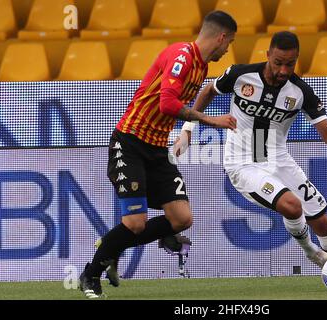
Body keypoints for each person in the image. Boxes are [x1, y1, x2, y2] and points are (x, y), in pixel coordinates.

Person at [174, 31, 327, 291]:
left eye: (290, 64)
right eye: (278, 62)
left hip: (278, 159)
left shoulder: (300, 92)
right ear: (267, 55)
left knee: (323, 223)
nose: (283, 70)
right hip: (243, 163)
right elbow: (209, 90)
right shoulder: (241, 75)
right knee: (292, 206)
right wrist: (188, 126)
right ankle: (312, 252)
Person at [79, 10, 238, 299]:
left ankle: (111, 246)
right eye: (229, 44)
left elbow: (171, 109)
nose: (227, 50)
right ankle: (90, 275)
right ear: (221, 37)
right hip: (129, 143)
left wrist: (184, 132)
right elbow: (166, 103)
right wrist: (210, 120)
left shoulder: (201, 68)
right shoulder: (182, 57)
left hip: (156, 149)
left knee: (181, 218)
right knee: (135, 223)